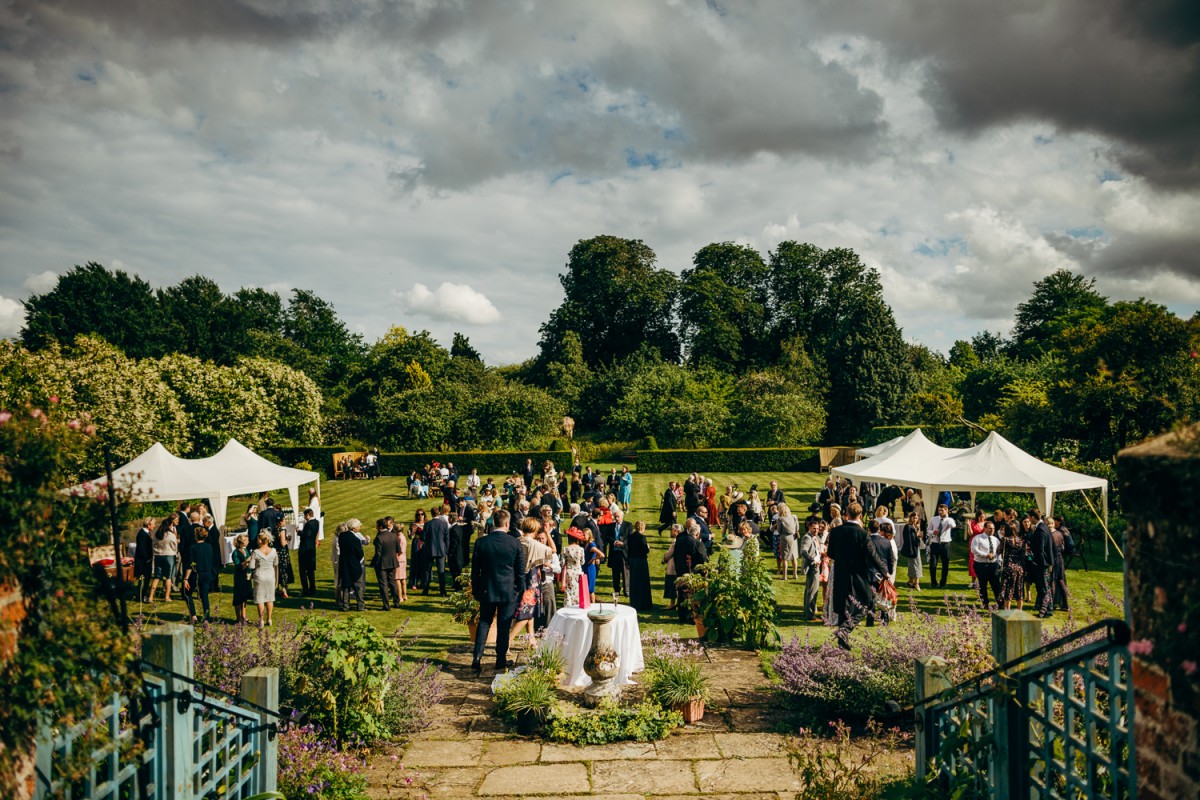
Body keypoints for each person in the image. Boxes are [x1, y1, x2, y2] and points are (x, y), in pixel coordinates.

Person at [827, 503, 889, 650]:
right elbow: (872, 555)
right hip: (858, 574)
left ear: (846, 514)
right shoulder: (863, 534)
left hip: (841, 572)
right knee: (866, 604)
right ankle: (845, 631)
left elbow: (831, 553)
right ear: (861, 516)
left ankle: (842, 638)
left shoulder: (836, 532)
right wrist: (884, 572)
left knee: (843, 605)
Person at [470, 508, 524, 675]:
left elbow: (475, 570)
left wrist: (476, 589)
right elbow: (520, 572)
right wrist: (519, 591)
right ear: (507, 523)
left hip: (487, 588)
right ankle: (500, 659)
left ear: (494, 523)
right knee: (503, 625)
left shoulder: (481, 542)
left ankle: (477, 658)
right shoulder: (515, 543)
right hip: (508, 590)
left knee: (484, 622)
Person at [512, 518, 551, 648]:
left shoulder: (517, 541)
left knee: (530, 613)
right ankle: (507, 640)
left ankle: (532, 640)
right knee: (526, 613)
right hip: (530, 580)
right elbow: (552, 551)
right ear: (534, 529)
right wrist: (547, 533)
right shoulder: (533, 544)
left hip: (519, 577)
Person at [673, 519, 708, 622]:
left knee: (681, 594)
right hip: (693, 572)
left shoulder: (680, 540)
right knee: (693, 595)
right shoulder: (697, 543)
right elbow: (703, 558)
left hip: (680, 570)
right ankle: (693, 616)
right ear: (697, 533)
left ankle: (682, 616)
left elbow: (675, 555)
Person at [183, 526, 218, 623]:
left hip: (196, 573)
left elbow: (190, 564)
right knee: (204, 595)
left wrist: (186, 578)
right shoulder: (209, 546)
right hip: (207, 573)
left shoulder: (192, 548)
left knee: (187, 593)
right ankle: (207, 616)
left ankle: (193, 615)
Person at [1026, 509, 1055, 618]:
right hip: (1044, 562)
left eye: (1029, 517)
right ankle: (1049, 608)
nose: (1028, 519)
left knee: (1044, 588)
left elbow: (1040, 549)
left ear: (1033, 517)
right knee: (1045, 587)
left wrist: (1037, 561)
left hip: (1042, 563)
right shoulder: (1043, 527)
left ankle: (1046, 610)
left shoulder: (1041, 529)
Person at [337, 519, 367, 612]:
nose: (359, 528)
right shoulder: (355, 539)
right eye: (358, 526)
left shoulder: (342, 536)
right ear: (354, 528)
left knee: (346, 586)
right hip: (354, 564)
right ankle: (360, 605)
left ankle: (346, 605)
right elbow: (360, 553)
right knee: (358, 586)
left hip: (344, 564)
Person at [971, 520, 1002, 609]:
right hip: (981, 565)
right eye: (989, 528)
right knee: (982, 585)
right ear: (985, 528)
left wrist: (999, 561)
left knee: (996, 585)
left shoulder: (995, 539)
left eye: (993, 528)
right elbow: (974, 550)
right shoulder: (978, 538)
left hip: (993, 565)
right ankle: (984, 603)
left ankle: (1000, 603)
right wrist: (986, 555)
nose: (992, 530)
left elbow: (998, 552)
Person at [250, 532, 278, 628]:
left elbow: (252, 566)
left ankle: (261, 620)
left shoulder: (256, 552)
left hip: (260, 576)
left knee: (260, 598)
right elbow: (276, 564)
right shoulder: (274, 551)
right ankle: (269, 619)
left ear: (261, 540)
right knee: (270, 598)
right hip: (270, 576)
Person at [373, 518, 402, 610]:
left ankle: (386, 605)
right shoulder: (394, 535)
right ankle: (396, 602)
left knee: (383, 584)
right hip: (392, 562)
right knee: (392, 582)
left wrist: (375, 563)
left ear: (380, 527)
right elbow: (398, 550)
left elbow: (378, 553)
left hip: (382, 563)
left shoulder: (379, 537)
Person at [149, 516, 179, 603]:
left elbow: (153, 545)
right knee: (168, 577)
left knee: (157, 577)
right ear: (170, 525)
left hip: (158, 556)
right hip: (169, 556)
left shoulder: (157, 535)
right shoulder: (171, 535)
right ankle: (167, 597)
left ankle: (150, 597)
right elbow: (175, 546)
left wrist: (157, 552)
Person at [422, 505, 451, 596]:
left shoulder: (427, 524)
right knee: (441, 571)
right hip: (441, 550)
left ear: (431, 514)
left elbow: (423, 537)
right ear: (439, 513)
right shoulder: (444, 524)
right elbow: (447, 538)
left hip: (430, 549)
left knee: (427, 570)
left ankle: (425, 589)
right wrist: (445, 549)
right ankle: (442, 591)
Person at [999, 521, 1028, 610]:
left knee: (1008, 589)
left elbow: (999, 550)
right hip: (1019, 567)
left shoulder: (1005, 540)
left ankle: (1007, 609)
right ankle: (1020, 610)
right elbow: (1023, 554)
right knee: (1019, 588)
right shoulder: (1020, 540)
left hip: (1008, 566)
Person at [625, 520, 653, 611]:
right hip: (641, 561)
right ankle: (644, 603)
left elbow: (628, 549)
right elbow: (645, 550)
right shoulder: (642, 537)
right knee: (642, 582)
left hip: (633, 560)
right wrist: (648, 547)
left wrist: (628, 561)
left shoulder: (631, 537)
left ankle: (634, 602)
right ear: (642, 528)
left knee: (634, 581)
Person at [926, 504, 956, 589]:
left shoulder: (950, 520)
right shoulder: (934, 519)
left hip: (945, 543)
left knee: (945, 564)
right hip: (935, 543)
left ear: (946, 511)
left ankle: (943, 582)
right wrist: (933, 532)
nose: (940, 512)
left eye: (942, 510)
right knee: (933, 564)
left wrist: (947, 518)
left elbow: (953, 526)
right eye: (939, 510)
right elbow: (928, 530)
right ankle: (933, 582)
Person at [800, 518, 822, 621]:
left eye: (817, 529)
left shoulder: (815, 537)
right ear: (809, 527)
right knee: (812, 591)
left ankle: (808, 612)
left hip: (816, 566)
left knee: (810, 589)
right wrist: (813, 560)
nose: (816, 530)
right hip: (813, 567)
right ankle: (810, 615)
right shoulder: (807, 538)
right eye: (814, 528)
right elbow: (804, 551)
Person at [1050, 516, 1073, 611]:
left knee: (1055, 580)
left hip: (1058, 556)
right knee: (1060, 580)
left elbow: (1069, 545)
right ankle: (1064, 603)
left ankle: (1055, 602)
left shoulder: (1060, 531)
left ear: (1058, 522)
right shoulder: (1061, 530)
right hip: (1060, 557)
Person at [297, 507, 320, 596]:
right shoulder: (317, 522)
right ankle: (312, 588)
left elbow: (307, 535)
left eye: (304, 515)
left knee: (303, 570)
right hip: (311, 548)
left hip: (305, 548)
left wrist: (299, 532)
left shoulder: (309, 524)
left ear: (308, 515)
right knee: (310, 570)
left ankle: (305, 589)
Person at [774, 503, 800, 580]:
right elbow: (797, 527)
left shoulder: (781, 519)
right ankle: (795, 574)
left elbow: (779, 530)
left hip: (785, 537)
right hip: (793, 537)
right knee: (794, 556)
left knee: (785, 557)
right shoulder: (794, 517)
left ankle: (784, 576)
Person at [900, 511, 924, 591]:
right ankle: (916, 583)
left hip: (915, 548)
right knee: (916, 565)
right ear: (911, 518)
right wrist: (911, 550)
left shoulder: (915, 527)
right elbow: (908, 539)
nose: (915, 519)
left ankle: (910, 581)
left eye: (916, 518)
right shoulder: (908, 527)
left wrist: (918, 533)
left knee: (913, 565)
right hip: (912, 549)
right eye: (913, 517)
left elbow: (917, 539)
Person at [133, 517, 155, 602]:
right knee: (143, 580)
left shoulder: (146, 533)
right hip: (143, 562)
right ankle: (140, 596)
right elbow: (142, 549)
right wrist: (147, 559)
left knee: (146, 580)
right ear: (148, 525)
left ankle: (142, 595)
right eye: (153, 524)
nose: (154, 526)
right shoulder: (142, 534)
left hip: (146, 560)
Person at [272, 515, 292, 600]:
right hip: (282, 552)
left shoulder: (274, 529)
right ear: (281, 521)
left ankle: (276, 588)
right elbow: (283, 543)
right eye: (284, 520)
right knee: (284, 570)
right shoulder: (282, 530)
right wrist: (288, 539)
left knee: (277, 570)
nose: (285, 521)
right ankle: (284, 589)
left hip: (276, 552)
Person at [584, 529, 604, 604]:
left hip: (590, 569)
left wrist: (594, 558)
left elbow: (601, 554)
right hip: (585, 568)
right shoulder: (586, 544)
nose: (583, 536)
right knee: (586, 588)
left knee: (590, 589)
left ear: (589, 535)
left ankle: (593, 603)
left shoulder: (592, 546)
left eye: (584, 535)